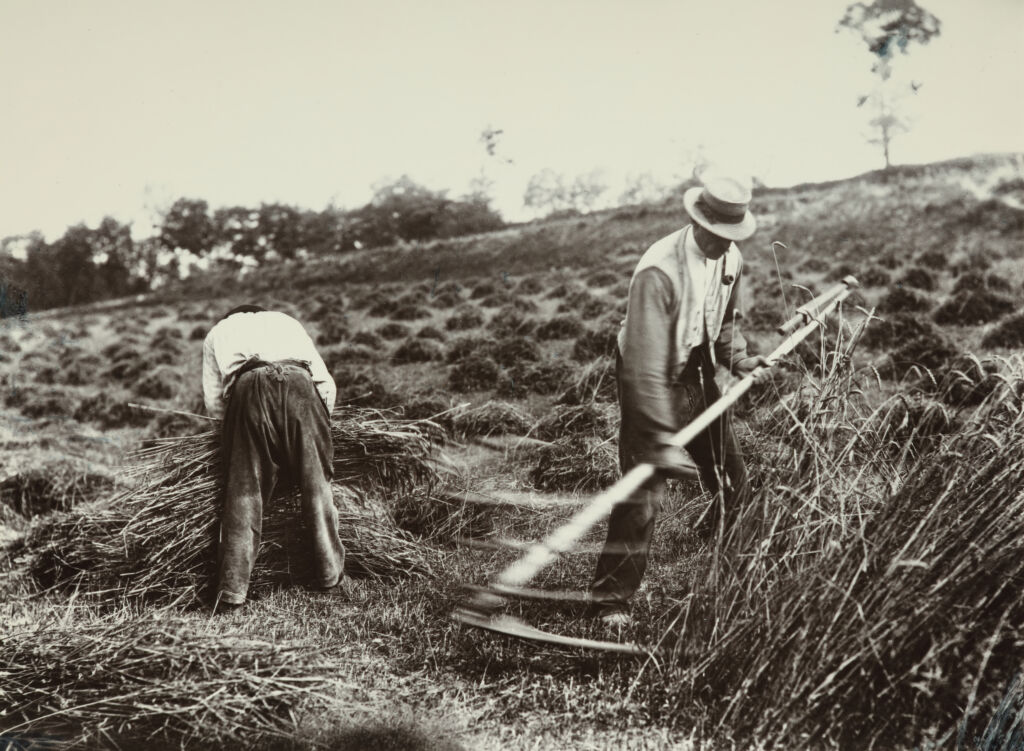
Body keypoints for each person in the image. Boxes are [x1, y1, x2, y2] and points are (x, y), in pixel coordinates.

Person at [589, 174, 769, 628]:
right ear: (697, 219)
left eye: (730, 235)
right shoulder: (659, 270)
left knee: (731, 474)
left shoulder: (732, 257)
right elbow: (645, 363)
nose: (720, 243)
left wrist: (741, 359)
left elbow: (725, 319)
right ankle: (611, 600)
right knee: (644, 490)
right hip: (649, 376)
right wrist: (657, 434)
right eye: (714, 233)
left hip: (698, 368)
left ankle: (735, 571)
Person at [202, 304, 345, 611]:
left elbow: (214, 403)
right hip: (299, 383)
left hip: (248, 387)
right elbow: (325, 383)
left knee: (244, 492)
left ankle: (232, 594)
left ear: (230, 318)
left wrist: (234, 441)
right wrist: (317, 431)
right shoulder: (285, 321)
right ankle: (329, 577)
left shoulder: (217, 333)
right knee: (316, 484)